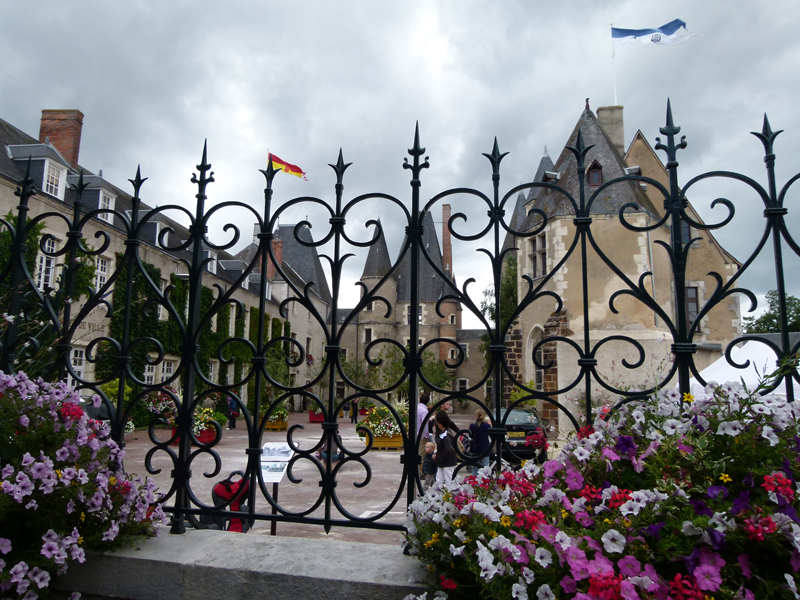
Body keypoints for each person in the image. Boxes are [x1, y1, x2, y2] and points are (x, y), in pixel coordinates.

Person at [433, 410, 457, 487]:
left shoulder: (446, 434)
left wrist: (440, 457)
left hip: (447, 462)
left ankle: (451, 496)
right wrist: (438, 454)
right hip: (443, 462)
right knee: (439, 480)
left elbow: (448, 449)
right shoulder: (444, 433)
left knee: (449, 481)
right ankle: (437, 496)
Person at [468, 409, 491, 475]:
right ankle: (485, 483)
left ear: (476, 416)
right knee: (485, 468)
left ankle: (475, 483)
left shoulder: (473, 426)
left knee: (475, 468)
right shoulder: (487, 426)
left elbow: (470, 435)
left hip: (476, 450)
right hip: (485, 449)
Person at [417, 393, 431, 475]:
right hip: (421, 435)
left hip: (414, 433)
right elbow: (425, 424)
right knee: (421, 454)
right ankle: (419, 472)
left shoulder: (416, 408)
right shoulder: (424, 411)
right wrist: (426, 435)